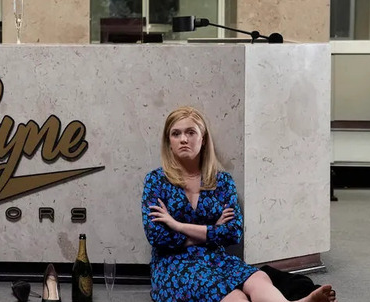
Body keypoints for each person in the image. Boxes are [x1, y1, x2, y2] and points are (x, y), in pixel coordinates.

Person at [141, 106, 337, 302]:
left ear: (203, 139)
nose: (184, 139)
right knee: (235, 296)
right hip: (174, 264)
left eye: (191, 132)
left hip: (215, 259)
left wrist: (178, 225)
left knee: (258, 277)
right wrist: (212, 230)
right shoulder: (156, 180)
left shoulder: (222, 181)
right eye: (176, 134)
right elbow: (157, 236)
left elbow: (233, 232)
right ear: (169, 142)